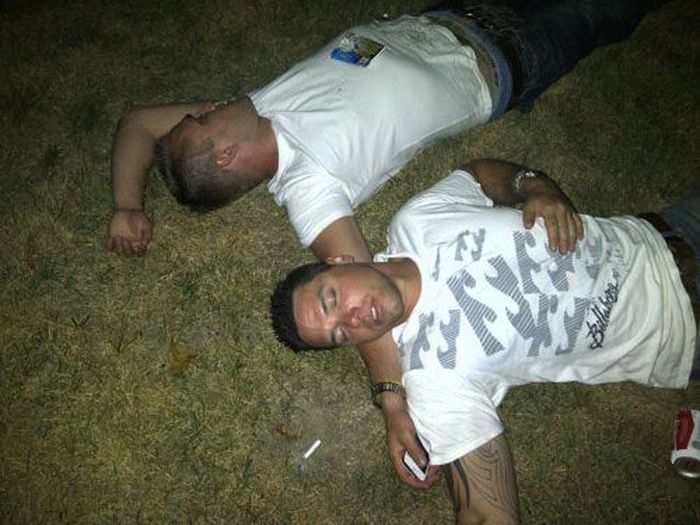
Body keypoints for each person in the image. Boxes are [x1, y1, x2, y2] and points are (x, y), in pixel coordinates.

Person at [105, 0, 669, 488]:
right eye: (201, 120)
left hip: (448, 14)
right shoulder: (308, 188)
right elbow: (359, 289)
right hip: (506, 58)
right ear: (226, 155)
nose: (205, 106)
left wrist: (127, 206)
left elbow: (136, 123)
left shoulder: (258, 105)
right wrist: (393, 404)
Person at [270, 158, 698, 524]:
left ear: (340, 260)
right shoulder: (432, 378)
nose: (354, 318)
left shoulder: (416, 221)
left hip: (666, 230)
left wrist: (535, 185)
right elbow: (484, 511)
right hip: (681, 325)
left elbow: (478, 175)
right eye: (341, 334)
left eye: (333, 298)